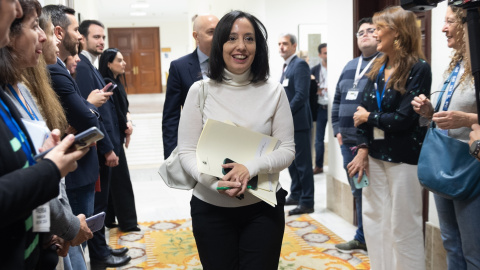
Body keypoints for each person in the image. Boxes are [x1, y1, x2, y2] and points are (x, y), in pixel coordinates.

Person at [177, 10, 295, 270]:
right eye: (232, 38)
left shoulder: (274, 92)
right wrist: (212, 181)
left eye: (249, 38)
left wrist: (249, 169)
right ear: (220, 44)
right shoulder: (200, 91)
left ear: (258, 46)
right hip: (210, 208)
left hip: (262, 209)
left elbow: (287, 150)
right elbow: (185, 151)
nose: (241, 46)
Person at [0, 0, 90, 268]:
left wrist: (46, 229)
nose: (44, 37)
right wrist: (49, 169)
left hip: (37, 240)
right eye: (35, 26)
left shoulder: (15, 89)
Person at [348, 6, 431, 269]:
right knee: (375, 222)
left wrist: (370, 118)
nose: (373, 33)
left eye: (378, 28)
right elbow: (360, 111)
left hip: (404, 159)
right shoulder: (377, 65)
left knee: (404, 225)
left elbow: (404, 118)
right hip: (374, 156)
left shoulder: (419, 69)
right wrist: (362, 148)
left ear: (396, 33)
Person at [42, 4, 114, 270]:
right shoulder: (55, 70)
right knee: (73, 242)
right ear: (59, 33)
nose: (81, 36)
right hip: (73, 170)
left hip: (81, 165)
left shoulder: (63, 66)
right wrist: (91, 106)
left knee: (80, 237)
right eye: (77, 30)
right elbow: (84, 117)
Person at [412, 6, 479, 269]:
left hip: (471, 167)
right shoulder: (457, 64)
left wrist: (468, 119)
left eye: (450, 21)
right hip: (445, 163)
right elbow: (447, 115)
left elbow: (464, 117)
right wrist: (430, 112)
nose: (442, 28)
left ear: (468, 25)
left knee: (474, 250)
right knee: (451, 242)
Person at [76, 19, 131, 268]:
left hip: (107, 142)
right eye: (95, 37)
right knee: (98, 205)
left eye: (102, 38)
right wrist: (108, 147)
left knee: (101, 204)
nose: (100, 42)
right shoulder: (84, 68)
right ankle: (100, 254)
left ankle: (103, 247)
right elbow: (91, 113)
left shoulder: (91, 65)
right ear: (83, 38)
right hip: (99, 149)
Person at [331, 17, 379, 254]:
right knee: (357, 189)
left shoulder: (384, 64)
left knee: (371, 190)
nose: (365, 35)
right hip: (346, 141)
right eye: (361, 32)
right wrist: (336, 130)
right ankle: (362, 237)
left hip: (367, 143)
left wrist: (365, 144)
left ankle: (373, 238)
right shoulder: (351, 65)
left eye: (371, 31)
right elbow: (338, 99)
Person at [162, 14, 219, 159]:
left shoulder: (233, 64)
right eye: (211, 32)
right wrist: (171, 156)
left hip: (228, 144)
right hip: (194, 148)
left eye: (220, 31)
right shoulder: (179, 67)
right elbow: (171, 117)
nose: (218, 36)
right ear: (196, 36)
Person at [99, 47, 139, 233]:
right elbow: (113, 114)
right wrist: (126, 127)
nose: (124, 63)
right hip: (112, 137)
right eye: (119, 60)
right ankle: (128, 223)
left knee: (114, 180)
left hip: (118, 134)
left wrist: (128, 122)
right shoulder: (107, 83)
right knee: (121, 181)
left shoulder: (117, 82)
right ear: (108, 63)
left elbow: (125, 109)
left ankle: (110, 219)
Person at [278, 33, 315, 215]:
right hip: (289, 123)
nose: (281, 47)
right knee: (292, 163)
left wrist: (284, 113)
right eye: (279, 44)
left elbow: (301, 95)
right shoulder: (286, 66)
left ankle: (307, 201)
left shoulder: (300, 64)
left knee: (303, 163)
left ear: (294, 46)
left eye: (285, 44)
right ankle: (296, 193)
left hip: (299, 122)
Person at [311, 43, 327, 174]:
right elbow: (310, 89)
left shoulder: (337, 66)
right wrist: (317, 90)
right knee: (318, 139)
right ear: (320, 55)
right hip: (321, 108)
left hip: (334, 108)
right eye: (325, 53)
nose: (327, 55)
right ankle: (319, 166)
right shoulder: (314, 70)